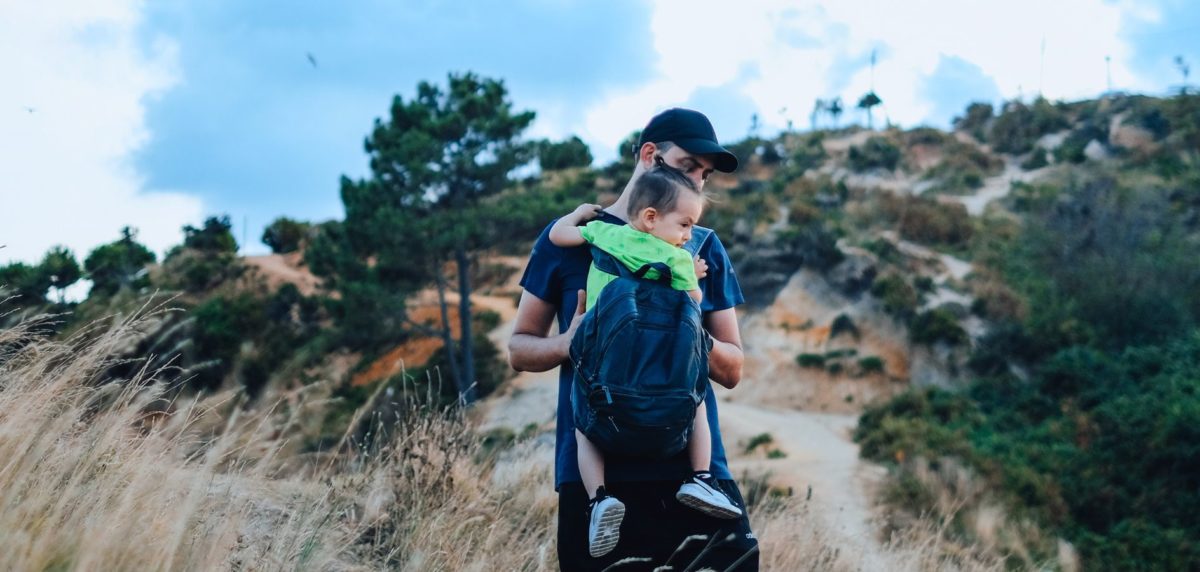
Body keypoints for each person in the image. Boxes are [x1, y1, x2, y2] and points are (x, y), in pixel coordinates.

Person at [509, 108, 757, 571]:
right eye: (688, 167)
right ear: (650, 155)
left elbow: (733, 368)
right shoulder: (574, 241)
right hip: (598, 482)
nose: (699, 183)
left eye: (704, 175)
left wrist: (685, 332)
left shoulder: (701, 247)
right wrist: (570, 341)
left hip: (694, 476)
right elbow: (519, 349)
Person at [547, 165, 743, 558]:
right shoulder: (679, 258)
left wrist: (579, 215)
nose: (689, 236)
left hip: (606, 362)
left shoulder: (607, 235)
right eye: (685, 225)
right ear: (652, 218)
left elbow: (558, 235)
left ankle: (598, 498)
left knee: (584, 422)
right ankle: (700, 478)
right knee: (698, 399)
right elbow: (693, 302)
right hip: (661, 364)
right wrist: (693, 273)